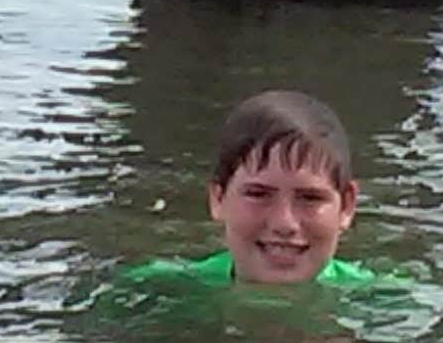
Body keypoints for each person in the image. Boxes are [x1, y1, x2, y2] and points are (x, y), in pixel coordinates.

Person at [112, 89, 385, 293]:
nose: (284, 223)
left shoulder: (387, 302)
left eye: (310, 198)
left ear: (347, 206)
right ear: (218, 198)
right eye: (258, 194)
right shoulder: (150, 290)